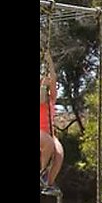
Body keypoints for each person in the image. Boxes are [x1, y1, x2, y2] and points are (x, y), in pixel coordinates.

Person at [40, 67, 64, 196]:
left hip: (49, 132)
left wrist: (48, 57)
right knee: (48, 142)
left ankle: (48, 183)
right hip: (40, 131)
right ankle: (42, 172)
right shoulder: (42, 98)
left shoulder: (52, 98)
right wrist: (43, 86)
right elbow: (41, 100)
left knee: (59, 153)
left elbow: (53, 77)